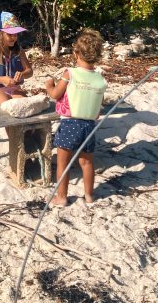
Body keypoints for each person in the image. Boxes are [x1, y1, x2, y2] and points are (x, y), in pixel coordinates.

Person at [45, 29, 107, 206]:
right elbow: (99, 102)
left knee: (63, 164)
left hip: (70, 123)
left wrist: (49, 85)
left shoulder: (69, 73)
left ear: (76, 53)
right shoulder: (100, 79)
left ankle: (62, 197)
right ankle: (89, 195)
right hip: (89, 126)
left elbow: (56, 94)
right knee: (87, 163)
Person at [0, 11, 33, 106]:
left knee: (24, 105)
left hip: (15, 88)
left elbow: (29, 71)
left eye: (16, 34)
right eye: (10, 34)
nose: (14, 37)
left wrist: (22, 74)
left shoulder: (19, 51)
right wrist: (1, 79)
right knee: (6, 106)